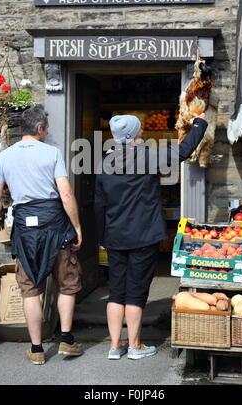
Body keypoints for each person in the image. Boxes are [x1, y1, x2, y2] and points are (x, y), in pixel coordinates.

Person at [94, 112, 208, 360]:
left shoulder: (103, 163)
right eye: (139, 129)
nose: (143, 131)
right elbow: (184, 150)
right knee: (135, 291)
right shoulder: (148, 156)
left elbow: (99, 205)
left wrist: (102, 236)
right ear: (134, 133)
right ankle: (135, 346)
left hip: (115, 236)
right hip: (143, 235)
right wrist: (200, 122)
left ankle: (115, 346)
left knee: (116, 291)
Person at [0, 105, 83, 365]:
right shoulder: (52, 153)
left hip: (25, 230)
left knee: (30, 290)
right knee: (67, 283)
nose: (47, 132)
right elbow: (66, 194)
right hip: (56, 225)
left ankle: (37, 349)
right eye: (47, 128)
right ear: (40, 128)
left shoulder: (4, 157)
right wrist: (77, 228)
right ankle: (66, 340)